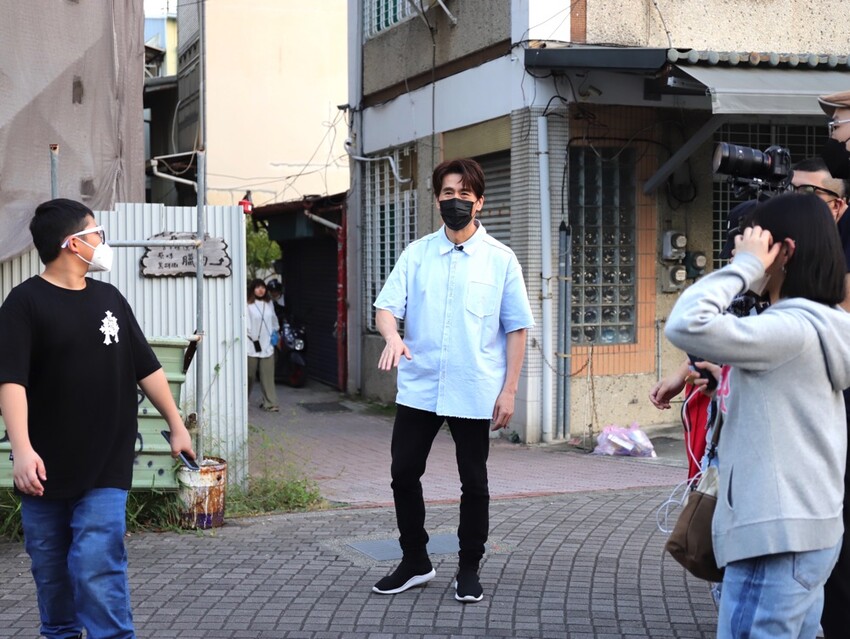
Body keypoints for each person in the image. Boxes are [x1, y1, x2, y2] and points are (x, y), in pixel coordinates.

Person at [0, 198, 195, 639]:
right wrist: (22, 450)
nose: (102, 241)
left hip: (107, 461)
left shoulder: (110, 299)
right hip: (43, 468)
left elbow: (147, 367)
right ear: (73, 243)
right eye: (96, 233)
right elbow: (10, 380)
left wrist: (177, 424)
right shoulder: (23, 303)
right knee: (51, 569)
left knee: (95, 563)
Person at [665, 192, 850, 639]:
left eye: (756, 242)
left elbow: (685, 323)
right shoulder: (824, 323)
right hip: (810, 532)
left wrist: (744, 268)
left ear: (784, 252)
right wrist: (728, 381)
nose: (742, 250)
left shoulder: (787, 328)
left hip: (773, 540)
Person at [371, 158, 534, 603]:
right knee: (403, 473)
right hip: (420, 386)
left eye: (464, 194)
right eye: (448, 193)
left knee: (474, 482)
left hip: (474, 388)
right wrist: (392, 336)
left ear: (479, 202)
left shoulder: (501, 259)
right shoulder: (417, 254)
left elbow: (517, 328)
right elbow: (386, 307)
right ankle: (415, 561)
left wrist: (510, 390)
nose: (455, 201)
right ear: (437, 199)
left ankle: (468, 567)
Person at [246, 278, 279, 411]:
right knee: (249, 375)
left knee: (268, 376)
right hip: (251, 345)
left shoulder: (269, 303)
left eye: (263, 287)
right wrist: (254, 339)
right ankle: (243, 401)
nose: (261, 290)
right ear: (253, 289)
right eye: (257, 287)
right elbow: (246, 326)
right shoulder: (248, 305)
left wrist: (275, 333)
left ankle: (270, 403)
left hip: (267, 345)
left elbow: (274, 321)